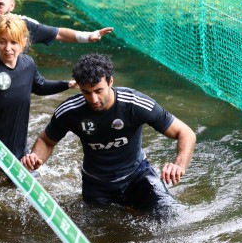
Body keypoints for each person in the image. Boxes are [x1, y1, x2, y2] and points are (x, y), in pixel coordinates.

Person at [21, 53, 196, 215]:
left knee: (170, 213)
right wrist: (36, 158)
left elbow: (186, 133)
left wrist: (179, 166)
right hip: (97, 185)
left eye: (99, 91)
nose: (94, 99)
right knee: (106, 233)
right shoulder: (69, 111)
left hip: (137, 176)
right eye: (86, 92)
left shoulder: (135, 104)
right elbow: (46, 140)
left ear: (111, 81)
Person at [0, 14, 77, 183]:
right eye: (2, 41)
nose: (7, 48)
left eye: (13, 42)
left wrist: (66, 84)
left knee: (22, 193)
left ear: (23, 42)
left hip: (13, 151)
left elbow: (40, 86)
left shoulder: (28, 64)